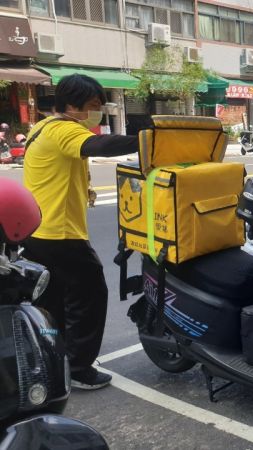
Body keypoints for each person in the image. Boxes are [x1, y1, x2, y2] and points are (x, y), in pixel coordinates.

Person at [22, 74, 141, 390]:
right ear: (71, 105)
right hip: (59, 233)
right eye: (92, 105)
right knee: (90, 294)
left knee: (54, 301)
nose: (97, 111)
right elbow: (97, 145)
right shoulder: (64, 129)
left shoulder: (41, 128)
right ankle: (78, 368)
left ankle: (54, 359)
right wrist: (147, 138)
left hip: (36, 230)